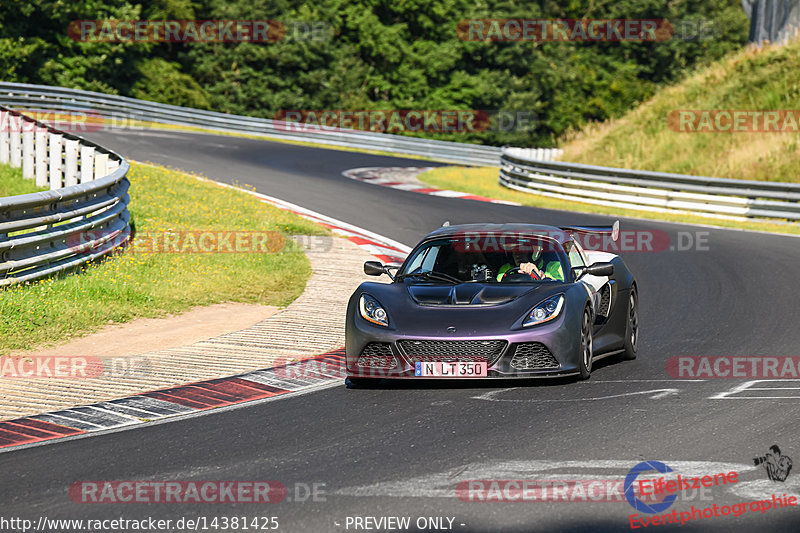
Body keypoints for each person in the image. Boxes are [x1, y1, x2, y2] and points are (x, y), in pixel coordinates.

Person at [497, 242, 564, 282]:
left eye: (522, 250)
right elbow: (500, 283)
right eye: (514, 251)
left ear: (534, 252)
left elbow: (561, 287)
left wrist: (541, 276)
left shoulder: (555, 267)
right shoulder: (507, 268)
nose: (517, 254)